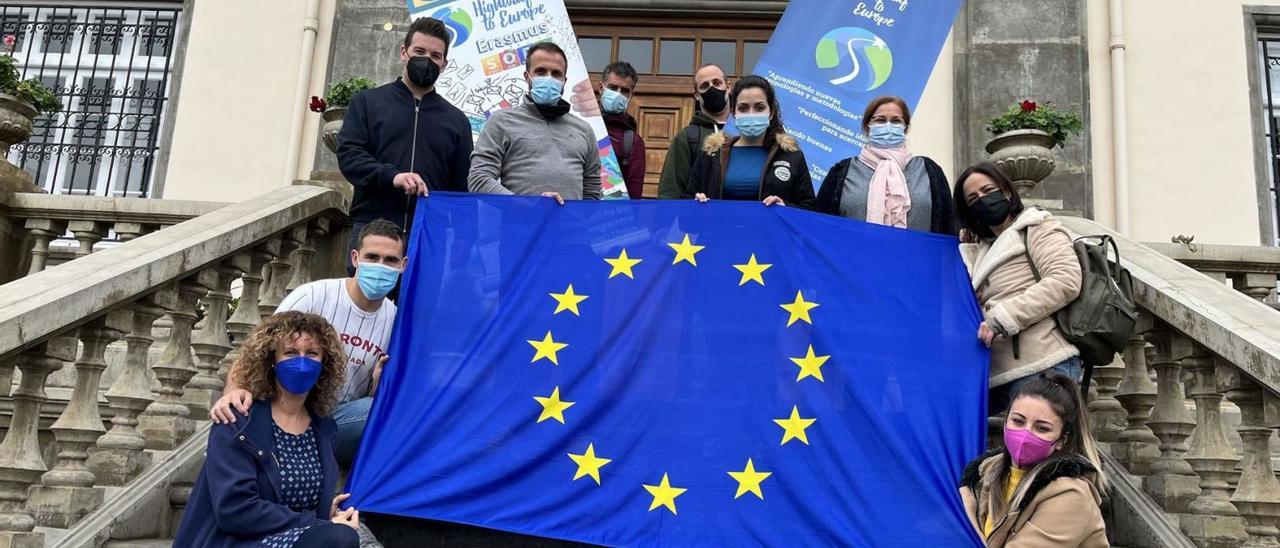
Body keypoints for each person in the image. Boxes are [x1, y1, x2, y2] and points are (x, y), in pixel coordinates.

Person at [211, 219, 402, 467]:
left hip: (336, 419)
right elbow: (257, 349)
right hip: (282, 409)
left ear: (403, 265)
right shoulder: (313, 295)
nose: (380, 267)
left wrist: (378, 385)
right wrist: (233, 391)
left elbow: (369, 396)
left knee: (385, 411)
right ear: (355, 258)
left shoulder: (395, 320)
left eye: (390, 260)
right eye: (372, 257)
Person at [175, 312, 359, 548]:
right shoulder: (238, 419)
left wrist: (327, 515)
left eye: (312, 354)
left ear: (324, 365)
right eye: (291, 353)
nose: (302, 362)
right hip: (232, 542)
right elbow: (235, 509)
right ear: (271, 360)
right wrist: (318, 524)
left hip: (289, 539)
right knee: (339, 539)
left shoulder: (324, 428)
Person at [337, 16, 471, 266]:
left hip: (430, 236)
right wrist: (392, 176)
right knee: (367, 305)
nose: (426, 60)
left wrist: (459, 242)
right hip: (373, 230)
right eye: (419, 51)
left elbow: (460, 188)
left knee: (423, 306)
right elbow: (349, 155)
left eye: (435, 56)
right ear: (403, 52)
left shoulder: (457, 121)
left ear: (444, 64)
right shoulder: (367, 103)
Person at [954, 163, 1082, 412]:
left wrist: (1003, 317)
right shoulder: (984, 248)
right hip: (999, 372)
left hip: (1043, 363)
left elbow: (1065, 279)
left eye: (988, 190)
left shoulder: (1036, 226)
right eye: (973, 198)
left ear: (1007, 192)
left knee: (1050, 448)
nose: (982, 199)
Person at [959, 373, 1108, 547]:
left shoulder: (1072, 495)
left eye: (1042, 428)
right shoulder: (984, 473)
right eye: (1018, 421)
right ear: (1006, 422)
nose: (1025, 434)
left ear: (1061, 440)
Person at [468, 42, 601, 203]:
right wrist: (525, 205)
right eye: (540, 72)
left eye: (556, 74)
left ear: (564, 81)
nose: (548, 78)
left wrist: (577, 221)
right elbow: (478, 178)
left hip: (570, 228)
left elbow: (592, 193)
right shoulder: (501, 121)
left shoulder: (584, 130)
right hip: (520, 226)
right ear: (527, 76)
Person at [815, 95, 957, 235]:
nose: (888, 126)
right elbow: (818, 224)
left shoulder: (929, 170)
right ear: (867, 126)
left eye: (896, 121)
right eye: (880, 120)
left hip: (918, 257)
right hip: (854, 257)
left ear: (905, 128)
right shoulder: (841, 171)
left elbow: (950, 221)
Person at [686, 75, 814, 209]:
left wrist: (785, 207)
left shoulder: (791, 156)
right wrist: (696, 204)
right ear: (733, 113)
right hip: (721, 229)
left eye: (759, 108)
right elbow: (686, 206)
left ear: (771, 113)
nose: (751, 114)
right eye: (743, 108)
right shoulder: (711, 154)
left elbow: (811, 209)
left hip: (770, 230)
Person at [657, 64, 734, 200]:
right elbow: (670, 191)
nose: (712, 88)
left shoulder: (746, 131)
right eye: (705, 86)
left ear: (728, 87)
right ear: (696, 95)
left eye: (717, 83)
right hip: (700, 219)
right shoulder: (687, 137)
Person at [600, 61, 646, 199]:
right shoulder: (582, 124)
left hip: (609, 215)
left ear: (631, 95)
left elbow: (634, 193)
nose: (618, 94)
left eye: (624, 91)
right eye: (613, 88)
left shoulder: (633, 142)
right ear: (601, 88)